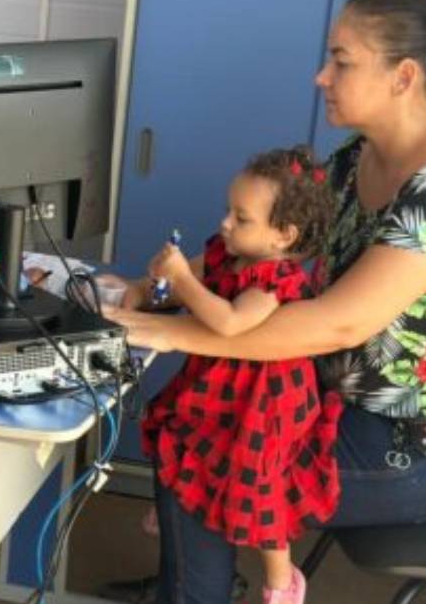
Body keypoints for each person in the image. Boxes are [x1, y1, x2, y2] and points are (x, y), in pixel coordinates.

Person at [110, 0, 426, 604]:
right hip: (334, 400)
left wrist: (171, 332)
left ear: (403, 76)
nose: (321, 76)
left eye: (341, 61)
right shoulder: (355, 158)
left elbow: (337, 325)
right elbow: (264, 249)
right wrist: (157, 290)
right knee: (198, 428)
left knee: (205, 453)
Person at [119, 147, 341, 604]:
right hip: (219, 384)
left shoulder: (273, 280)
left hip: (265, 400)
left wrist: (181, 280)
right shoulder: (228, 252)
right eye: (228, 211)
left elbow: (227, 322)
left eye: (241, 218)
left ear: (284, 235)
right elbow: (192, 287)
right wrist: (150, 287)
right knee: (184, 437)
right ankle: (181, 510)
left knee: (257, 485)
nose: (224, 224)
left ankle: (282, 583)